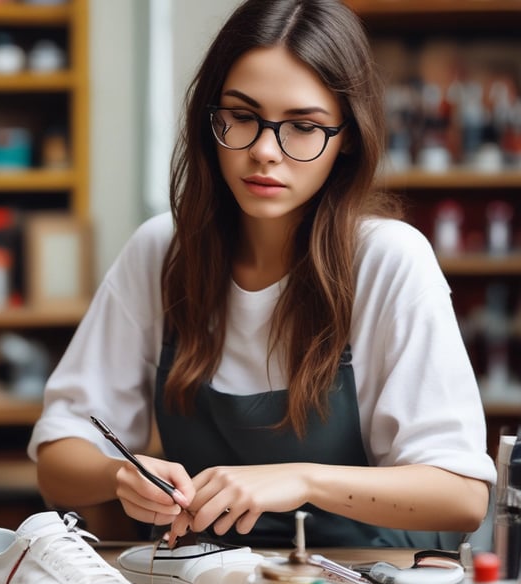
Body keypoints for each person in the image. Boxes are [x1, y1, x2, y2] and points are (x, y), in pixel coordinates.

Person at [28, 0, 496, 548]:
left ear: (347, 136)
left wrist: (303, 480)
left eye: (304, 126)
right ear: (210, 118)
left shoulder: (388, 259)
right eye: (242, 117)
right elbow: (57, 461)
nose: (264, 151)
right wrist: (120, 475)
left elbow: (462, 497)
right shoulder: (162, 251)